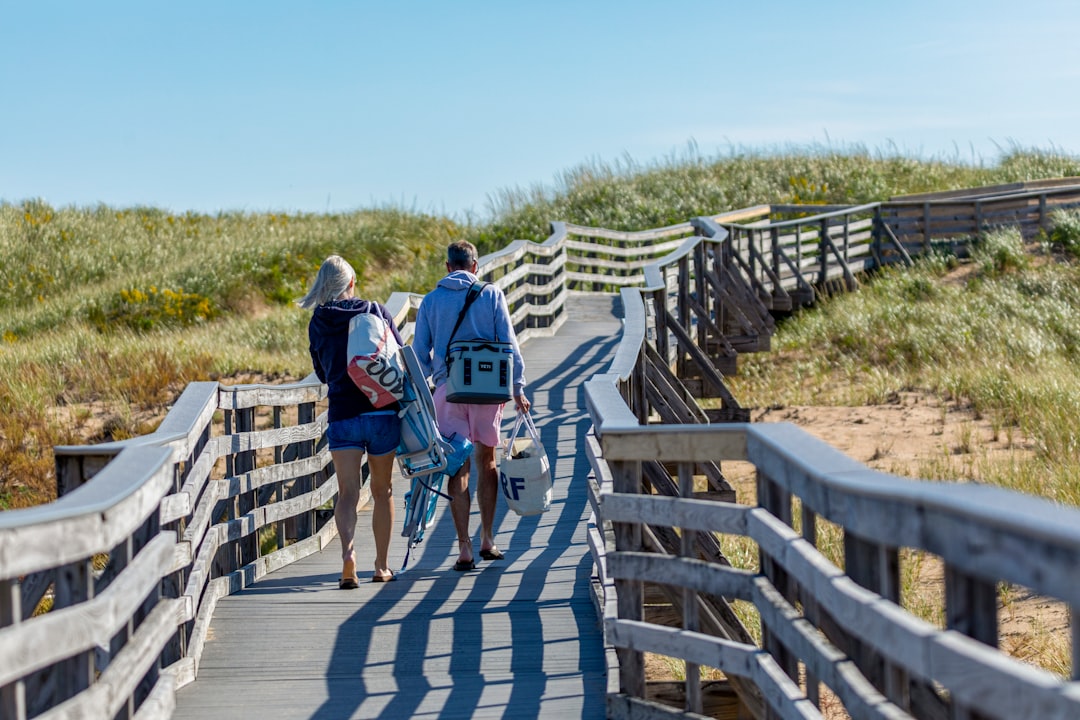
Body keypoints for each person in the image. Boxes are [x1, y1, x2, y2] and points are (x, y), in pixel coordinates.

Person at [412, 241, 530, 571]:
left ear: (448, 267)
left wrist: (420, 395)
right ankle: (488, 539)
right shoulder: (491, 295)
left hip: (449, 391)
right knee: (487, 461)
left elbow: (420, 356)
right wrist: (518, 387)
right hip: (488, 388)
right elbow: (508, 344)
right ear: (475, 266)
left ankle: (464, 547)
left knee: (458, 465)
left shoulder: (431, 301)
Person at [298, 255, 400, 586]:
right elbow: (398, 355)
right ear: (351, 284)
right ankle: (382, 566)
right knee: (382, 491)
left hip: (343, 414)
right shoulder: (374, 311)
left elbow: (321, 371)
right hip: (382, 410)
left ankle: (348, 557)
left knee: (346, 494)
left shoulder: (318, 322)